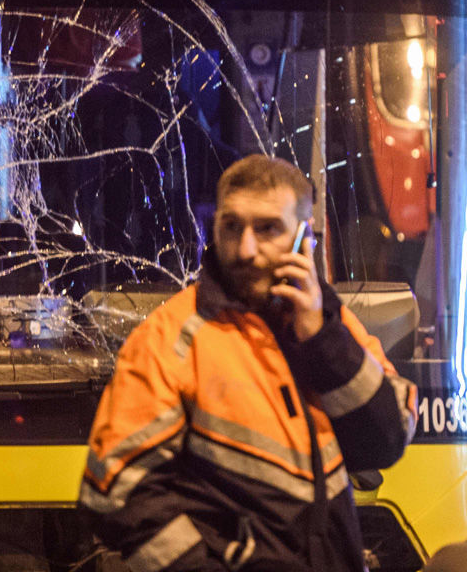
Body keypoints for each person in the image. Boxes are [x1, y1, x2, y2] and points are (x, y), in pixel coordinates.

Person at [79, 155, 418, 571]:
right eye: (231, 227)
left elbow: (385, 438)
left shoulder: (328, 322)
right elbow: (113, 490)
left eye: (267, 229)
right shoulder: (172, 338)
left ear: (304, 241)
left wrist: (322, 340)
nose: (245, 249)